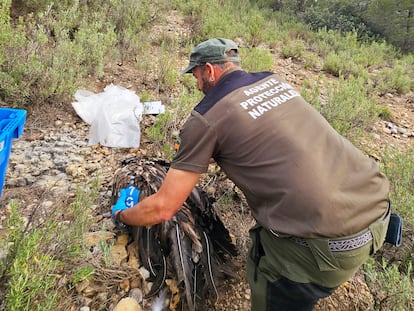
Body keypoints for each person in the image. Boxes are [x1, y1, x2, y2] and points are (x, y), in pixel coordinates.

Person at [112, 38, 391, 310]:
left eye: (196, 76)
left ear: (209, 70)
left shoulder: (206, 119)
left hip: (328, 247)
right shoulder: (275, 81)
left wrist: (123, 215)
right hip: (378, 210)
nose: (197, 86)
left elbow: (163, 208)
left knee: (264, 266)